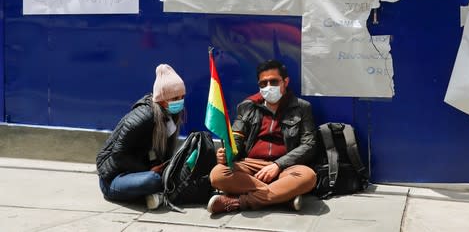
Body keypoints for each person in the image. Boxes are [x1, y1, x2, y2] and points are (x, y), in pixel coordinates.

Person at [207, 60, 317, 214]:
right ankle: (284, 196)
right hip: (251, 165)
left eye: (274, 81)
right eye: (263, 83)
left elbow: (309, 145)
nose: (268, 87)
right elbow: (236, 138)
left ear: (285, 81)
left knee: (308, 176)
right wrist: (227, 153)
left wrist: (278, 165)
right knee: (217, 174)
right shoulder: (247, 106)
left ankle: (239, 202)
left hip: (285, 167)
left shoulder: (301, 107)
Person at [96, 64, 186, 209]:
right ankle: (156, 193)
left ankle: (155, 195)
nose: (180, 101)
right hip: (113, 179)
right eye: (175, 97)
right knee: (154, 180)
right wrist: (146, 170)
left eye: (182, 97)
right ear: (162, 98)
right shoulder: (144, 117)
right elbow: (119, 154)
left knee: (171, 176)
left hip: (138, 173)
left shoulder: (170, 116)